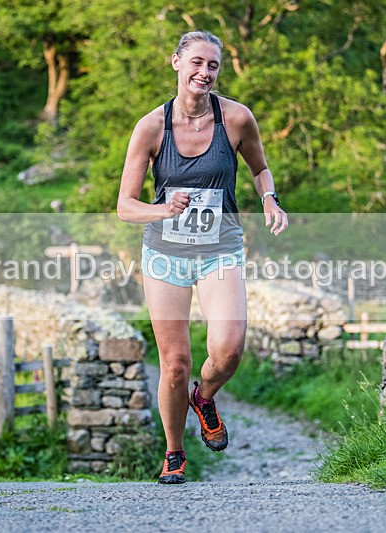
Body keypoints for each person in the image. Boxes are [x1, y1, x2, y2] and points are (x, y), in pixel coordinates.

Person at [117, 30, 287, 484]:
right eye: (195, 62)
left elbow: (260, 168)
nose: (203, 72)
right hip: (165, 255)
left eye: (212, 65)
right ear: (176, 63)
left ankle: (205, 398)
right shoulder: (151, 127)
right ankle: (175, 452)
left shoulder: (236, 118)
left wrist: (269, 198)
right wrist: (162, 209)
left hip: (220, 249)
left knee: (228, 351)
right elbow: (125, 205)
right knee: (174, 364)